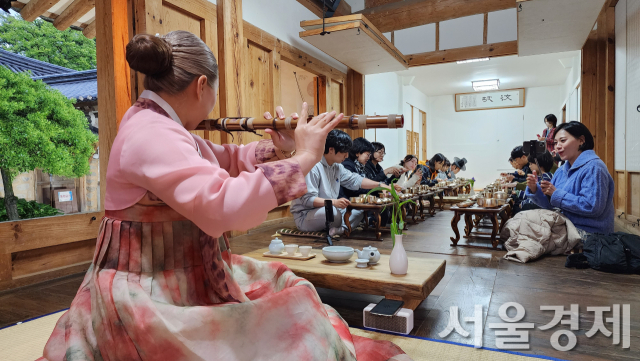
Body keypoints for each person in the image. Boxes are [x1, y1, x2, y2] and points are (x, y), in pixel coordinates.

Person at [39, 31, 408, 361]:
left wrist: (280, 149)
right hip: (149, 286)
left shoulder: (162, 124)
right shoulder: (151, 132)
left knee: (293, 289)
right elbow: (223, 208)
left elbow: (228, 159)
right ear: (202, 86)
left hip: (189, 272)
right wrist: (305, 158)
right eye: (214, 91)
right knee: (291, 322)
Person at [291, 130, 394, 237]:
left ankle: (340, 229)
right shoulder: (313, 166)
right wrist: (334, 202)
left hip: (331, 208)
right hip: (306, 214)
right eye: (344, 152)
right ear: (331, 150)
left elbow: (355, 179)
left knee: (360, 209)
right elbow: (308, 200)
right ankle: (341, 226)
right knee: (335, 214)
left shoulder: (337, 167)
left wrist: (380, 185)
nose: (347, 155)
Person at [526, 121, 614, 236]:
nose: (557, 146)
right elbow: (550, 204)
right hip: (565, 226)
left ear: (581, 141)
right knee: (522, 223)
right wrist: (534, 189)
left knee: (524, 227)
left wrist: (556, 193)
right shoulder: (561, 170)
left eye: (563, 141)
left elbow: (592, 207)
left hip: (589, 233)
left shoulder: (594, 167)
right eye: (556, 142)